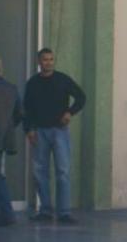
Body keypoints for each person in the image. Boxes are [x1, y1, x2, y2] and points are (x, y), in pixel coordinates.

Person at [24, 48, 86, 224]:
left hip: (60, 131)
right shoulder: (33, 83)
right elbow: (26, 109)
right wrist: (29, 130)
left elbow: (81, 97)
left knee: (63, 172)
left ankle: (64, 212)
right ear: (39, 62)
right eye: (45, 59)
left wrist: (70, 112)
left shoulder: (63, 79)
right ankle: (45, 211)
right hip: (39, 132)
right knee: (40, 172)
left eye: (51, 59)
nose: (48, 62)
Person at [0, 53, 21, 227]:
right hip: (0, 141)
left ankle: (6, 215)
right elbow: (19, 114)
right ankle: (6, 214)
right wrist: (5, 130)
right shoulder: (11, 88)